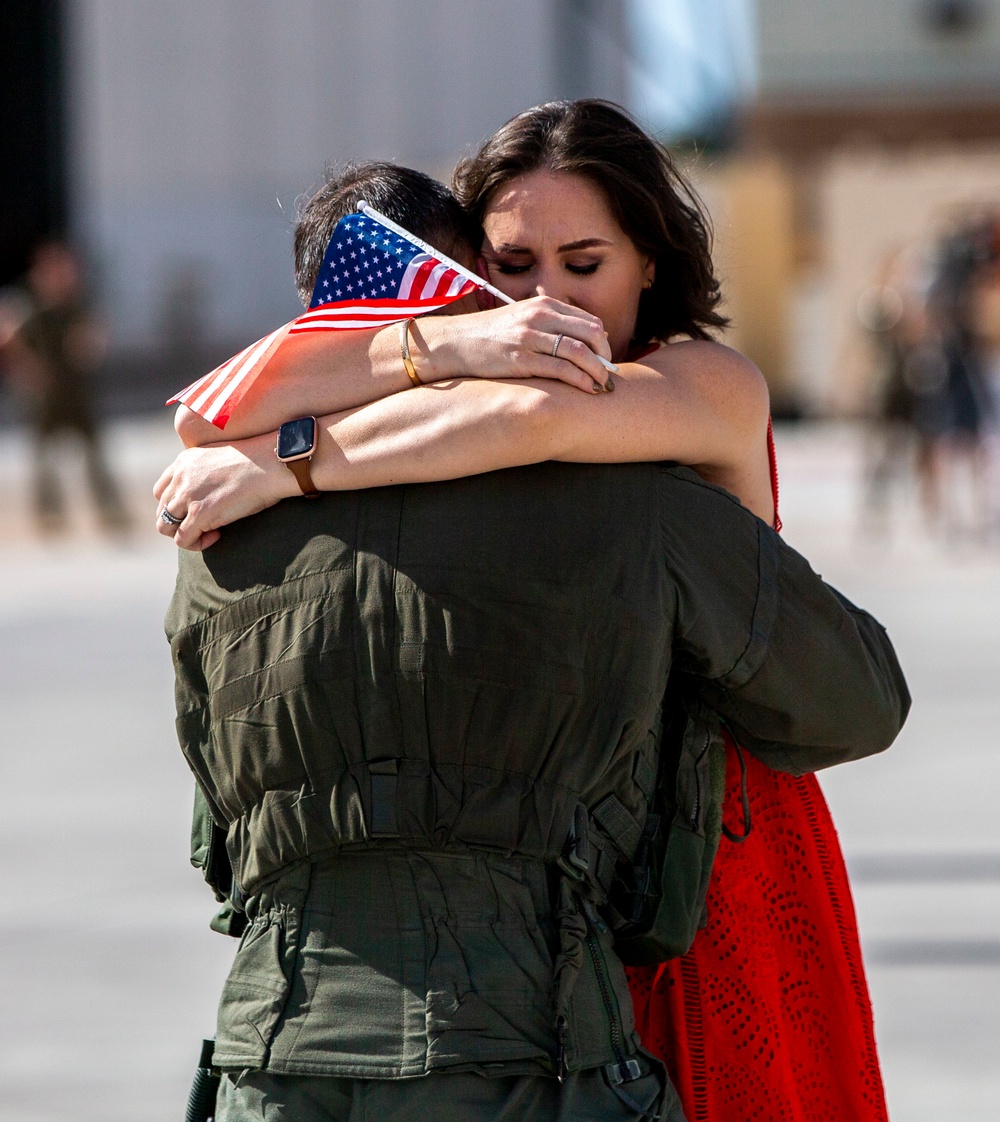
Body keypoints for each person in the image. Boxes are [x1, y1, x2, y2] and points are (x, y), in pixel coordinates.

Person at [158, 103, 909, 1121]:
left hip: (721, 851)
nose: (546, 303)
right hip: (576, 895)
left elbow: (535, 412)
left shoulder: (698, 380)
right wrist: (442, 350)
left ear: (651, 262)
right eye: (514, 267)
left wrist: (284, 462)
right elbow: (209, 410)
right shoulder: (475, 374)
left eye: (584, 263)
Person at [8, 242, 129, 535]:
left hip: (76, 394)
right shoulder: (33, 310)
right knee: (44, 461)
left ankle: (111, 511)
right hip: (46, 398)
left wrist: (89, 344)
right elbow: (14, 342)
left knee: (95, 455)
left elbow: (93, 340)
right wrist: (30, 372)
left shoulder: (77, 308)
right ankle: (50, 516)